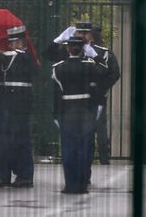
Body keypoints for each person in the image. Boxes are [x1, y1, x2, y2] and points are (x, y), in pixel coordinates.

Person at [0, 25, 37, 188]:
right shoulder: (12, 56)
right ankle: (1, 174)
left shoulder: (23, 56)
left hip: (18, 106)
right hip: (8, 104)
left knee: (20, 141)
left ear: (20, 44)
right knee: (3, 141)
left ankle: (24, 176)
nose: (10, 46)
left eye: (14, 43)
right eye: (10, 43)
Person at [52, 36, 107, 194]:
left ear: (68, 49)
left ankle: (70, 184)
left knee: (69, 149)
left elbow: (56, 94)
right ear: (82, 49)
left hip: (67, 111)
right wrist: (95, 55)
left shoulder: (58, 67)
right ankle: (82, 185)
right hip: (86, 111)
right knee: (83, 148)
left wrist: (55, 114)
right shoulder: (89, 66)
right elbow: (104, 70)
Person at [89, 24, 120, 165]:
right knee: (101, 127)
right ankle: (104, 159)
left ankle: (87, 157)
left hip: (84, 94)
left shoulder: (84, 51)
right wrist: (103, 87)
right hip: (100, 94)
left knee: (87, 128)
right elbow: (115, 73)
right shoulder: (106, 52)